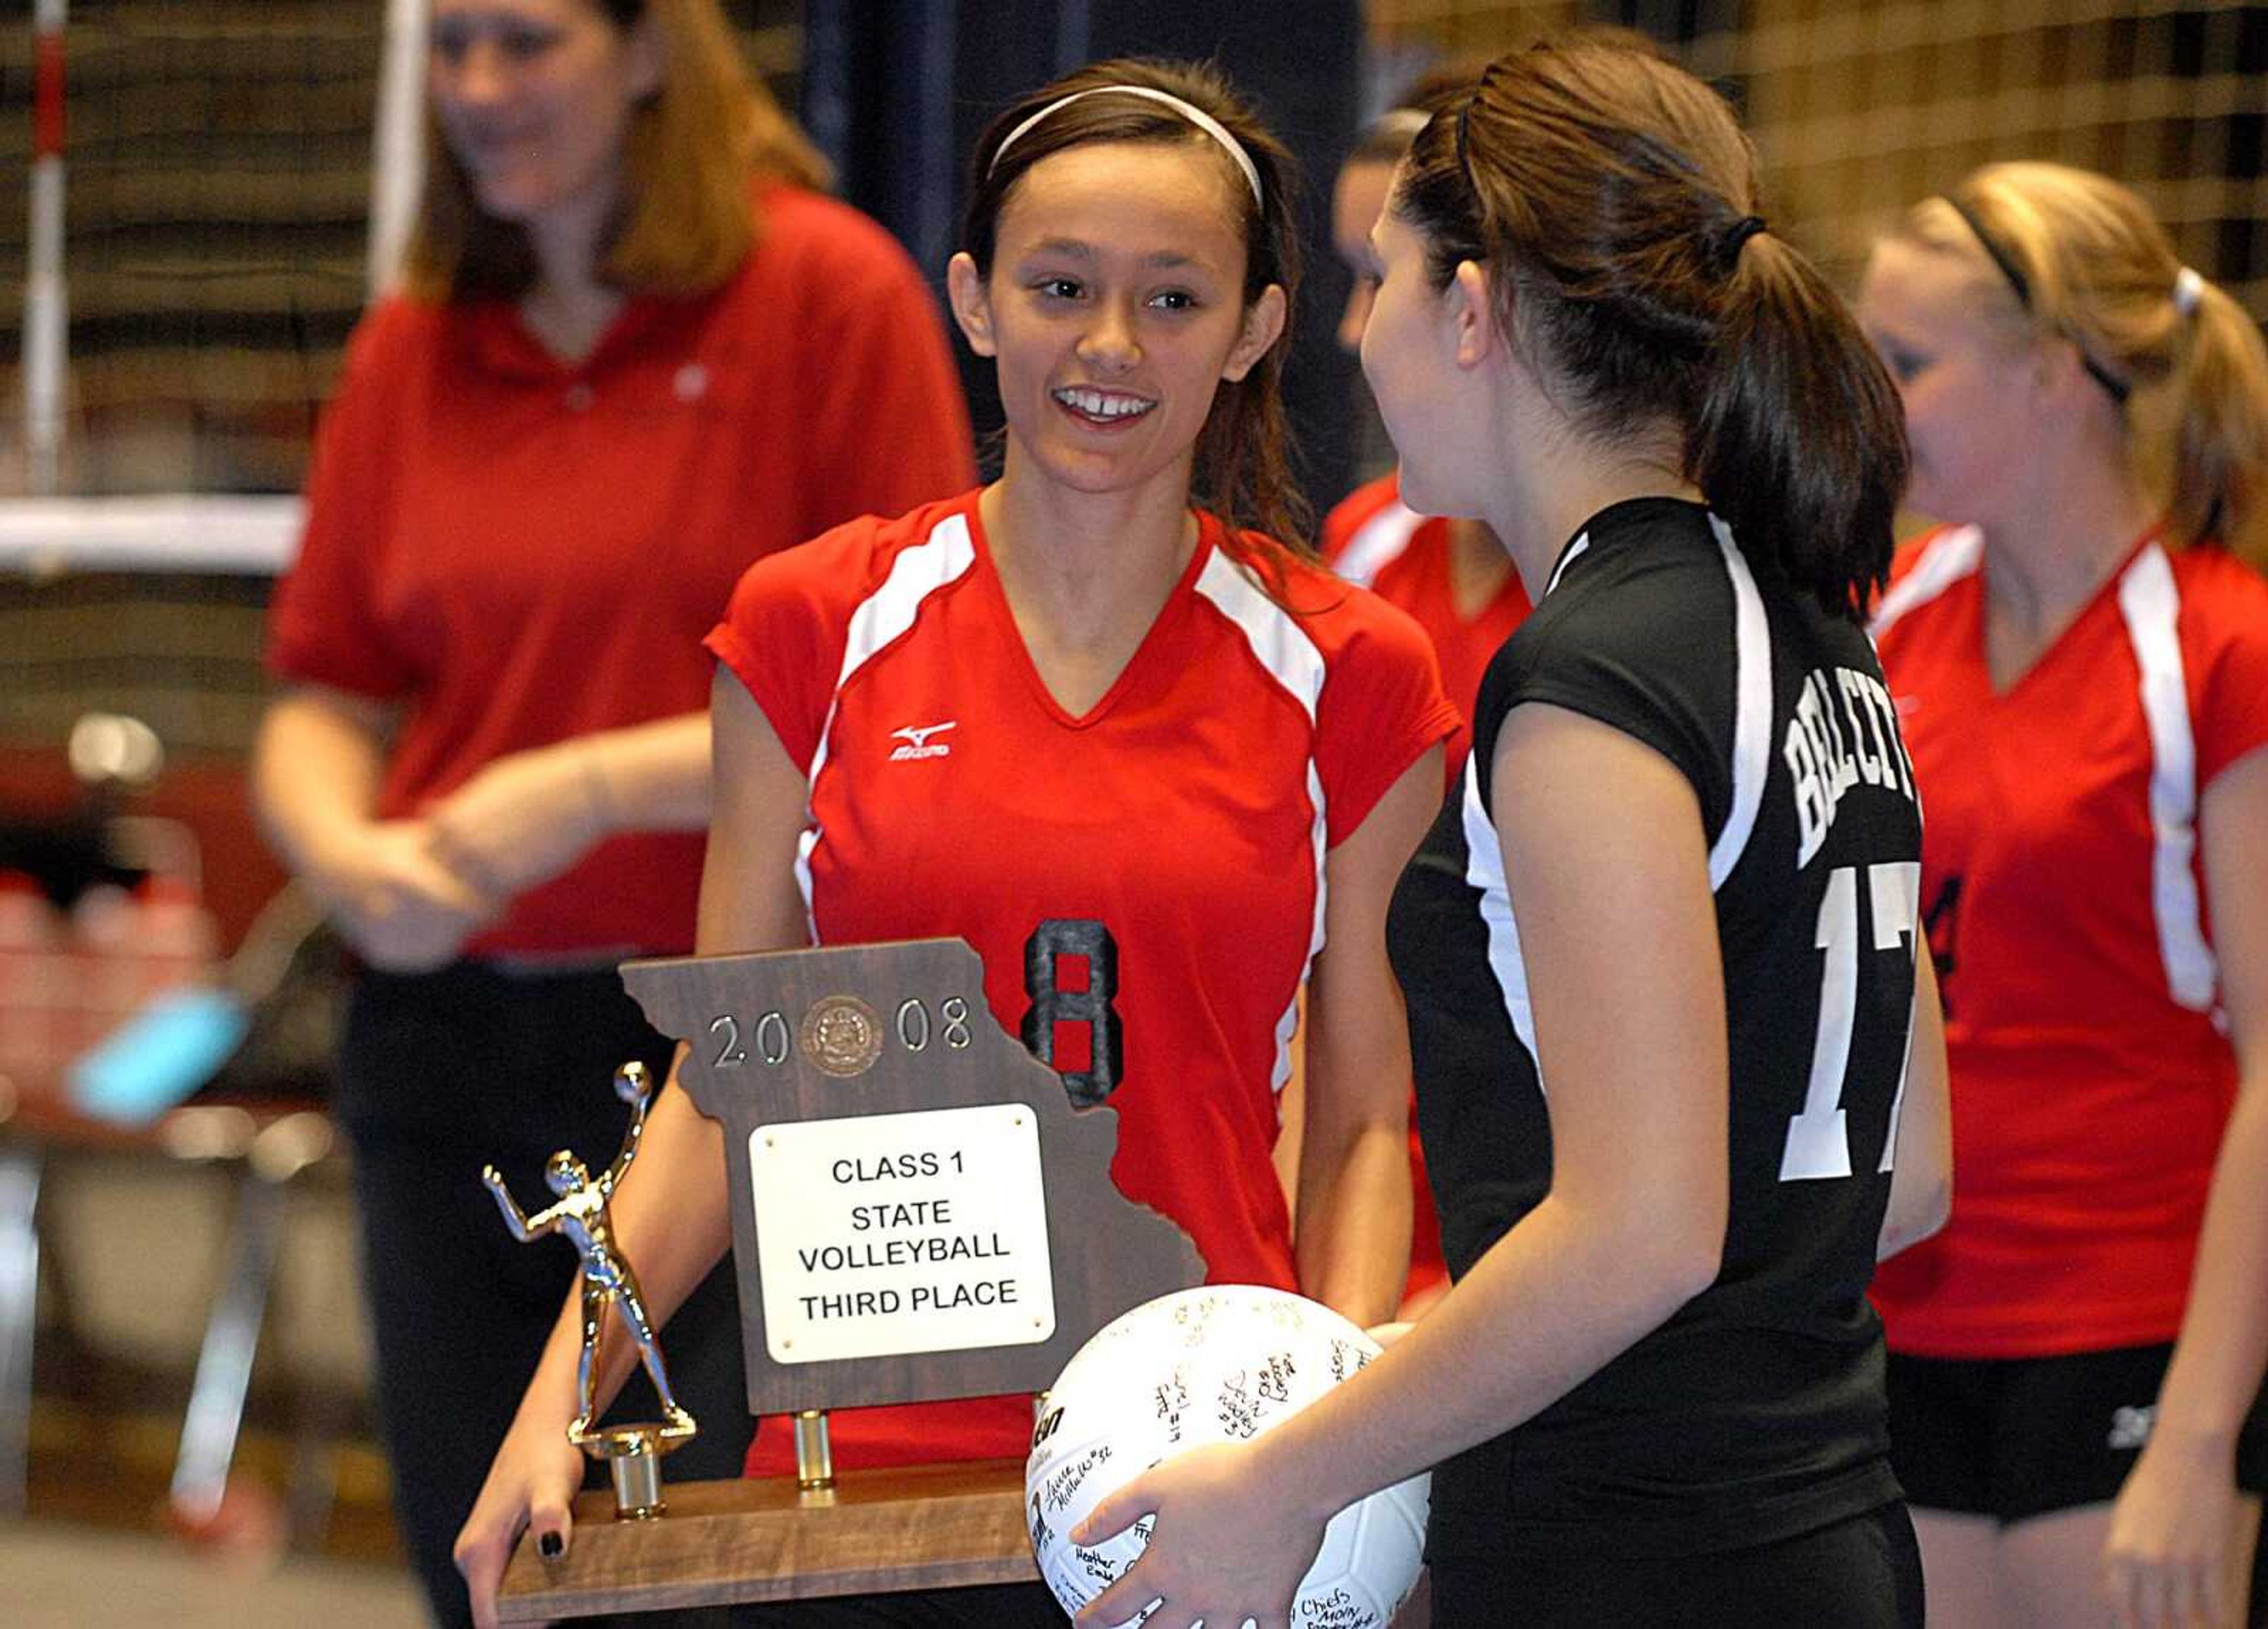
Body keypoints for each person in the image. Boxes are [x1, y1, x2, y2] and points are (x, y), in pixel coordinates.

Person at [451, 56, 1455, 1629]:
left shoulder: (1356, 669)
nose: (1110, 348)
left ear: (1259, 326)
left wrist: (1327, 1468)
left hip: (1191, 1470)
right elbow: (727, 1077)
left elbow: (1357, 1132)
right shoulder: (815, 623)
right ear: (977, 301)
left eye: (1174, 299)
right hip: (860, 1481)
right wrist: (553, 1408)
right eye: (1062, 287)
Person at [1072, 36, 1953, 1629]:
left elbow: (1641, 1231)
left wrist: (1282, 1476)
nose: (1352, 332)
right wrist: (1435, 1355)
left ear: (1475, 311)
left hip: (1630, 1556)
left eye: (1373, 280)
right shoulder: (1817, 631)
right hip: (1815, 1531)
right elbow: (1904, 1174)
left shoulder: (1590, 680)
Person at [250, 2, 973, 1622]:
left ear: (654, 50)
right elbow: (319, 690)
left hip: (720, 1055)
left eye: (526, 42)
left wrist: (579, 791)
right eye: (450, 49)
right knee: (488, 1568)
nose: (480, 90)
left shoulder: (824, 293)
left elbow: (897, 688)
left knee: (696, 1573)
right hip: (446, 1054)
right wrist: (351, 851)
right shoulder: (415, 341)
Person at [1857, 162, 2268, 1629]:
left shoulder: (2215, 650)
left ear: (2049, 377)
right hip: (1899, 1319)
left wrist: (2202, 1434)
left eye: (1905, 362)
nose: (1870, 394)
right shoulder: (1889, 621)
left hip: (2121, 1326)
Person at [1318, 76, 1530, 1315]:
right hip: (1385, 1210)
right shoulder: (1363, 548)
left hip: (1548, 1232)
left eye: (1378, 273)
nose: (1353, 330)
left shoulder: (1642, 602)